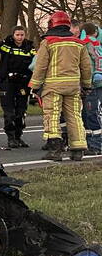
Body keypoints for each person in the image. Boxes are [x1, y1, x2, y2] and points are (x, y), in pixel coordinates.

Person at [30, 11, 93, 161]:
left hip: (53, 87)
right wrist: (86, 85)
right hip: (74, 87)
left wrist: (35, 86)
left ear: (52, 24)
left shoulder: (48, 42)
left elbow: (40, 66)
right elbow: (86, 67)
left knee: (52, 116)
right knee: (75, 116)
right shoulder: (79, 43)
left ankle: (55, 150)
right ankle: (78, 149)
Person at [0, 26, 36, 149]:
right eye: (17, 35)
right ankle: (11, 138)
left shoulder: (30, 47)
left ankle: (18, 137)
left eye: (22, 35)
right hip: (7, 83)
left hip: (23, 83)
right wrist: (4, 41)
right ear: (13, 35)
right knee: (9, 113)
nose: (19, 37)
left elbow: (36, 63)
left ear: (25, 35)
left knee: (21, 112)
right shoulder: (6, 45)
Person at [78, 22, 102, 155]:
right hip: (87, 83)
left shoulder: (90, 43)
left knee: (91, 113)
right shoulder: (87, 43)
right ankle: (90, 142)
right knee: (87, 114)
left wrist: (97, 74)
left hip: (92, 83)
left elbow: (99, 58)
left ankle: (96, 145)